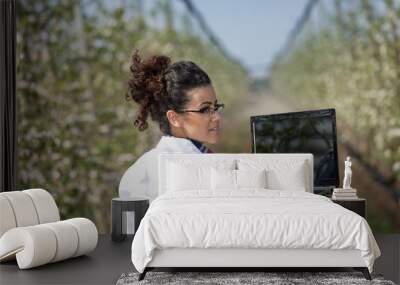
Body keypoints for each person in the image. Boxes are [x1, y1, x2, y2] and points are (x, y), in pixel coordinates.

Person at [118, 50, 224, 201]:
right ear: (174, 118)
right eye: (205, 109)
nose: (217, 117)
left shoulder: (202, 160)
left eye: (216, 107)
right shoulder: (147, 175)